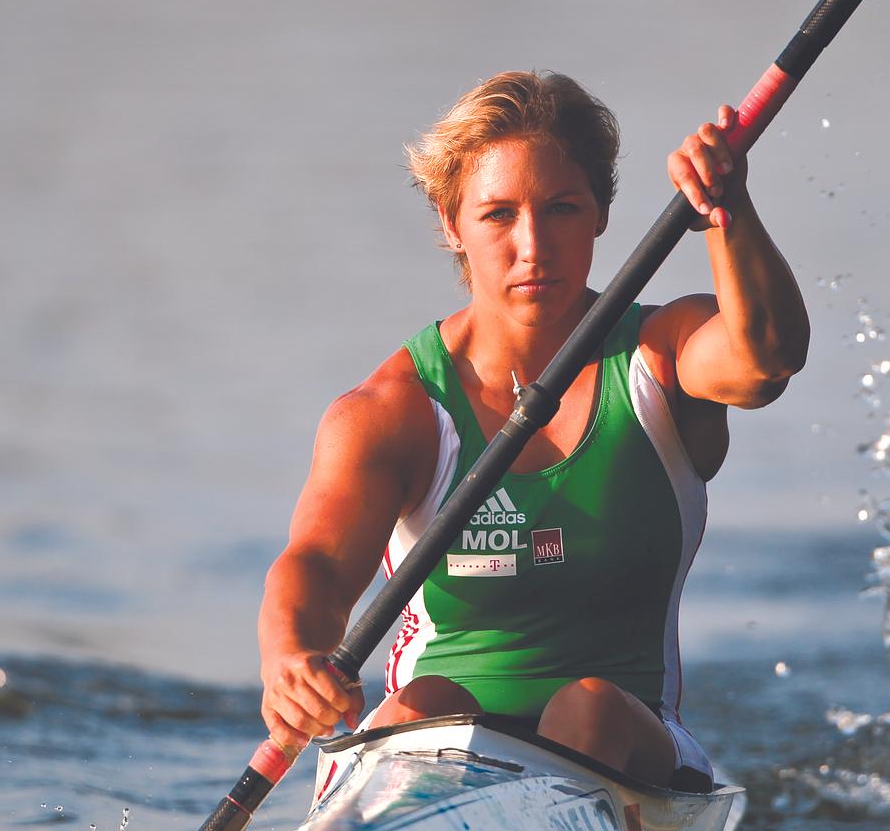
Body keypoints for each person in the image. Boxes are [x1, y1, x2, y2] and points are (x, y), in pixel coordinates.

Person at [257, 71, 808, 790]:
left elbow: (765, 361)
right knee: (427, 704)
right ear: (451, 224)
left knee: (589, 709)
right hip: (426, 747)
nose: (534, 246)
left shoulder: (662, 355)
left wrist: (729, 212)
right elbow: (318, 569)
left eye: (562, 209)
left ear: (600, 214)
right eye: (498, 215)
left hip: (628, 748)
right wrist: (292, 659)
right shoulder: (392, 410)